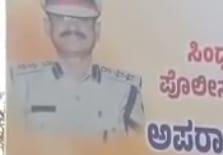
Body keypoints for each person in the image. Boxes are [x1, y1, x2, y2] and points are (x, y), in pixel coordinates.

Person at [8, 0, 144, 140]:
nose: (73, 27)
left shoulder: (126, 92)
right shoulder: (21, 84)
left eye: (83, 19)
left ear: (97, 30)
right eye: (63, 18)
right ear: (47, 26)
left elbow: (139, 149)